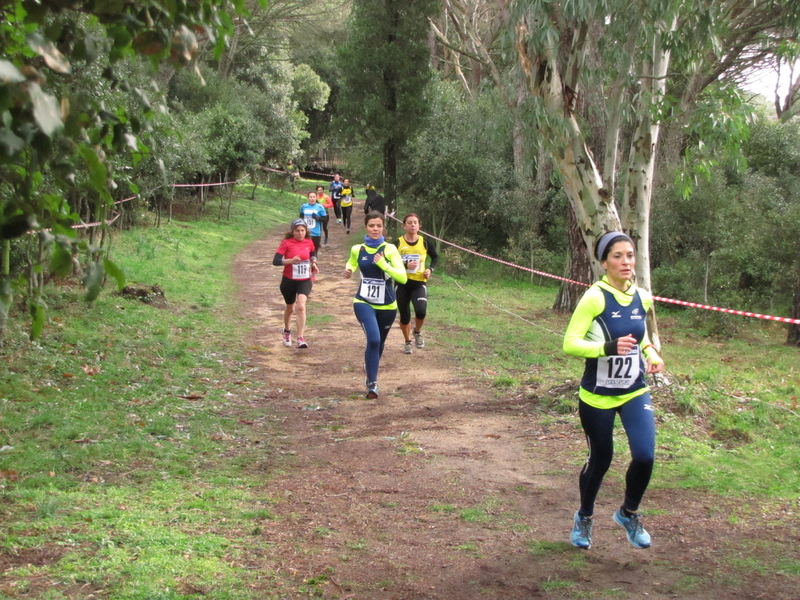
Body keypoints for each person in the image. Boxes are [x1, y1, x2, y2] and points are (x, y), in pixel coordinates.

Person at [562, 231, 665, 550]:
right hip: (597, 396)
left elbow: (640, 334)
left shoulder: (642, 297)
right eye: (617, 256)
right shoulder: (595, 297)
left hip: (634, 390)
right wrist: (607, 347)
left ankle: (628, 513)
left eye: (630, 255)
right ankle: (585, 517)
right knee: (601, 460)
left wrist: (651, 353)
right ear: (604, 262)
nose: (625, 262)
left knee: (645, 456)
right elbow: (570, 343)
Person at [343, 212, 407, 399]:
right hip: (363, 302)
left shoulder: (389, 249)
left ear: (383, 228)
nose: (375, 229)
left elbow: (402, 277)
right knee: (374, 339)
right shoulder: (358, 248)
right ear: (366, 227)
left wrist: (384, 265)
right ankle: (372, 383)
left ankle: (371, 370)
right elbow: (353, 262)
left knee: (379, 344)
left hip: (387, 306)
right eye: (371, 226)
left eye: (378, 226)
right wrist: (349, 269)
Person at [395, 213, 439, 354]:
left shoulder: (424, 242)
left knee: (421, 311)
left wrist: (430, 269)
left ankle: (417, 332)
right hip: (402, 283)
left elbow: (435, 257)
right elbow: (390, 261)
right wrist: (405, 263)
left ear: (419, 226)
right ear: (404, 226)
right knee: (405, 315)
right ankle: (407, 341)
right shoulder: (397, 243)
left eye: (415, 222)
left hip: (419, 282)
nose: (412, 225)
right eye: (409, 222)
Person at [273, 219, 319, 349]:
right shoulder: (286, 243)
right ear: (292, 231)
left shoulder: (309, 242)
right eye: (297, 231)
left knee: (301, 307)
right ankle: (287, 331)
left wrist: (314, 263)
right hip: (288, 281)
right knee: (290, 308)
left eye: (303, 230)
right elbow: (276, 261)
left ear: (306, 231)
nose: (300, 233)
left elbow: (312, 253)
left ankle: (300, 338)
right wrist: (290, 261)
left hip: (305, 280)